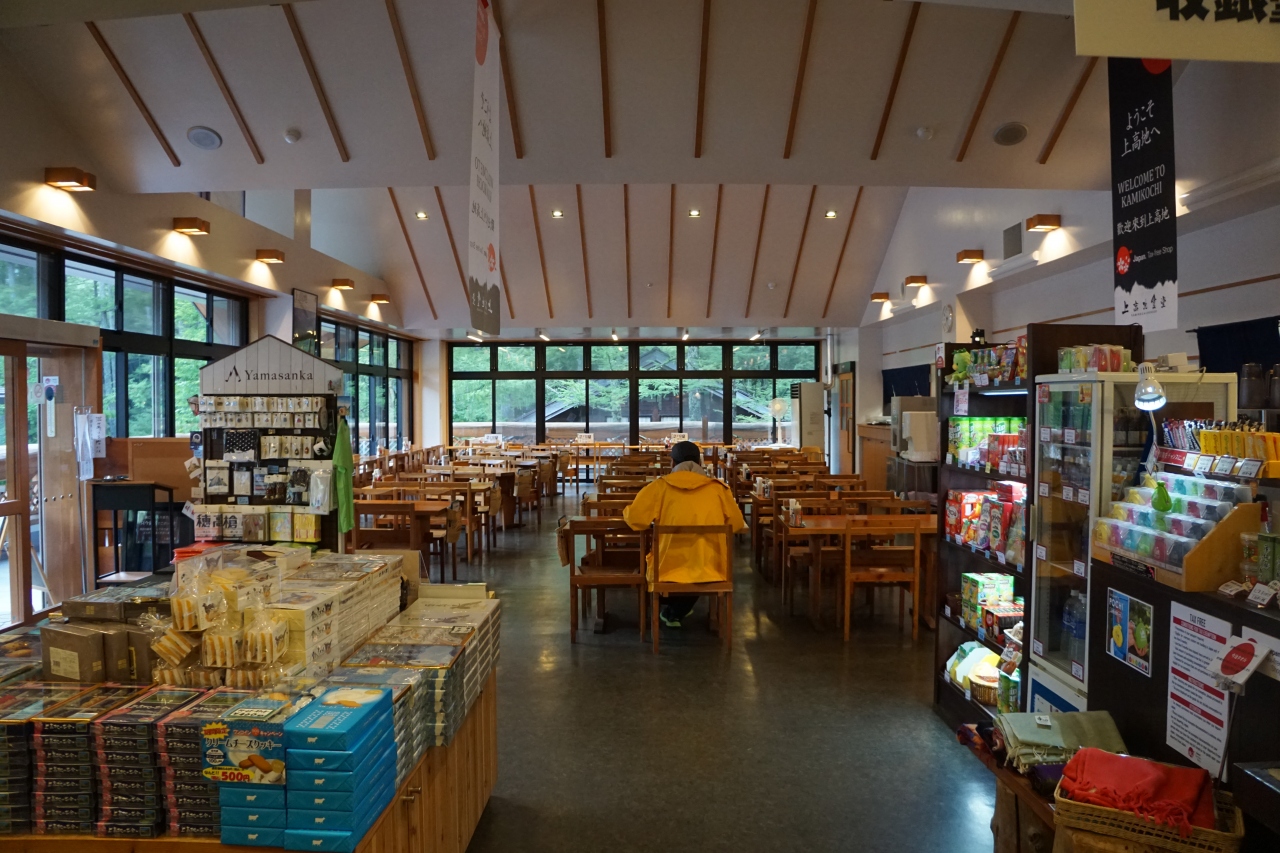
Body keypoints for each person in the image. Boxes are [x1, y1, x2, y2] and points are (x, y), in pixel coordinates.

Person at [623, 441, 747, 628]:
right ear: (700, 462)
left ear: (672, 463)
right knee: (699, 559)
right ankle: (679, 609)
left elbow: (635, 519)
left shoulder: (659, 487)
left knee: (653, 563)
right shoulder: (719, 489)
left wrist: (626, 510)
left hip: (666, 570)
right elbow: (736, 525)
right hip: (711, 569)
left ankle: (674, 608)